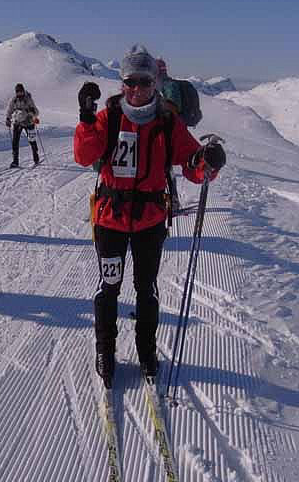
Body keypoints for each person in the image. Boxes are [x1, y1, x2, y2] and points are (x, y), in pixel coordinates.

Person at [74, 44, 226, 388]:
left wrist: (209, 163)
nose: (137, 90)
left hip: (150, 222)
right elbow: (84, 156)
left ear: (154, 83)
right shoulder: (109, 117)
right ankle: (105, 350)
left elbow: (192, 167)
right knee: (108, 287)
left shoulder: (168, 121)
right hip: (111, 219)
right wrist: (85, 118)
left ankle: (146, 351)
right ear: (122, 83)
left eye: (144, 83)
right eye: (131, 82)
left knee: (147, 289)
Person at [156, 58, 183, 213]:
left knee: (167, 169)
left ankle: (173, 202)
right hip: (168, 129)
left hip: (171, 130)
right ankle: (173, 201)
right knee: (167, 168)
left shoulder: (169, 85)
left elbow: (173, 108)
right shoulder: (166, 85)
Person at [5, 83, 40, 167]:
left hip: (29, 122)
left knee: (32, 141)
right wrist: (8, 119)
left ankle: (36, 158)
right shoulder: (14, 100)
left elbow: (36, 111)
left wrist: (32, 113)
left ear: (23, 91)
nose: (19, 93)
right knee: (15, 142)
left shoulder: (28, 99)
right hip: (18, 122)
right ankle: (15, 161)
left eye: (21, 91)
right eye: (18, 92)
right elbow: (9, 110)